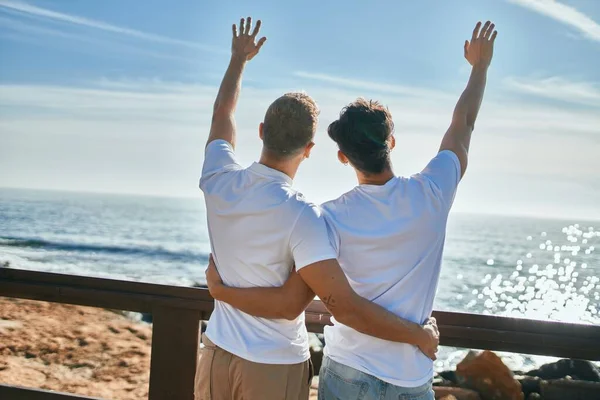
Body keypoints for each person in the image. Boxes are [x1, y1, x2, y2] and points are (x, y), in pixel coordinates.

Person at [205, 20, 498, 400]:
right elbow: (463, 126)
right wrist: (480, 68)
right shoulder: (433, 193)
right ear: (391, 142)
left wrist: (220, 290)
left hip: (345, 368)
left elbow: (309, 301)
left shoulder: (326, 216)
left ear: (341, 157)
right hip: (409, 376)